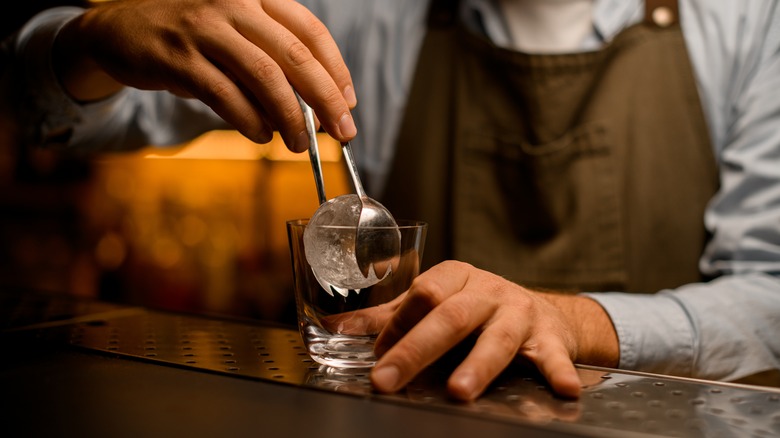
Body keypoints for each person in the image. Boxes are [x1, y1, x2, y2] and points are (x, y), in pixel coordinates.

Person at [4, 0, 779, 401]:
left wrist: (574, 320)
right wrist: (93, 39)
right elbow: (55, 113)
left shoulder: (752, 19)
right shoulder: (359, 13)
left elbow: (770, 296)